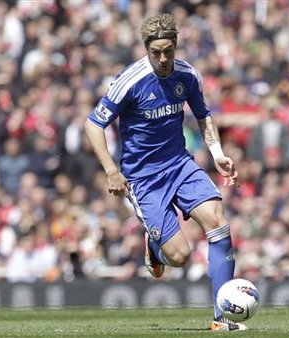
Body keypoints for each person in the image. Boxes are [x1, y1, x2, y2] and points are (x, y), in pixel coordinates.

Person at [84, 14, 246, 331]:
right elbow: (93, 124)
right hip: (143, 179)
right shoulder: (129, 81)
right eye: (156, 51)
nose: (162, 58)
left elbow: (204, 116)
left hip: (179, 164)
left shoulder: (187, 75)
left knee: (218, 221)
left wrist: (217, 154)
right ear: (146, 48)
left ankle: (222, 318)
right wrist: (111, 171)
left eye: (168, 51)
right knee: (180, 256)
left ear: (175, 46)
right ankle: (155, 248)